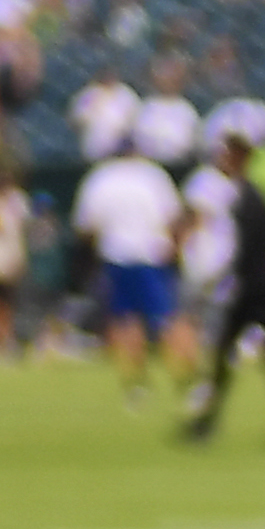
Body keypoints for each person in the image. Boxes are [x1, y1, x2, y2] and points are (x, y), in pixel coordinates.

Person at [175, 101, 265, 446]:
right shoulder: (259, 191)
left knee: (242, 356)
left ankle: (215, 422)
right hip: (260, 285)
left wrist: (227, 277)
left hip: (253, 287)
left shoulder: (251, 195)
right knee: (261, 356)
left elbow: (248, 248)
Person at [73, 112, 184, 398]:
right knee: (165, 317)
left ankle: (135, 383)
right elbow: (173, 219)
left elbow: (85, 226)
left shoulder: (101, 178)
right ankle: (184, 379)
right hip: (151, 255)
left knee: (125, 320)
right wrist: (174, 250)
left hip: (116, 256)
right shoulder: (154, 175)